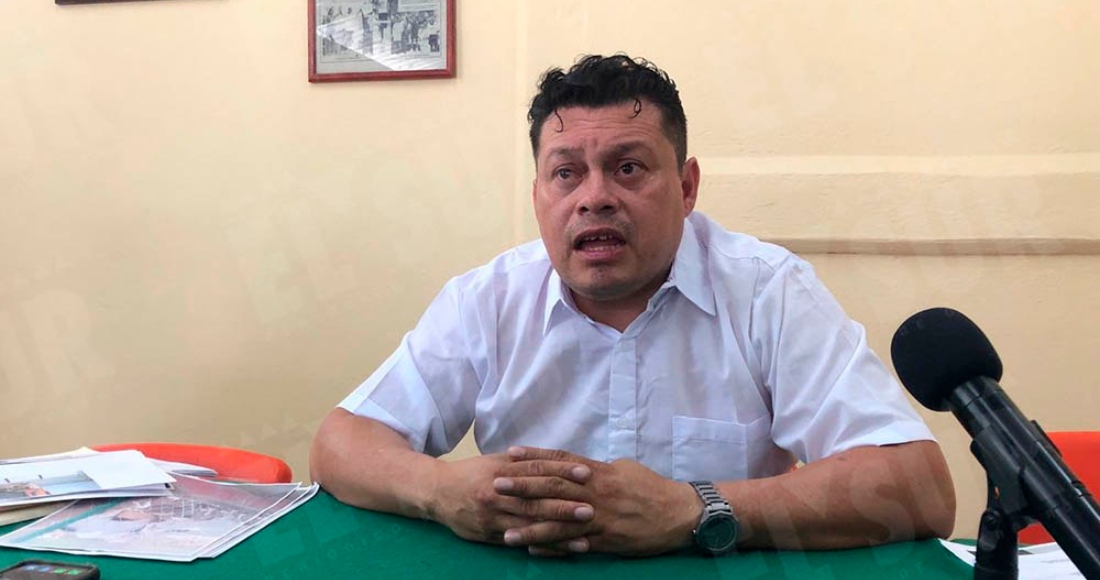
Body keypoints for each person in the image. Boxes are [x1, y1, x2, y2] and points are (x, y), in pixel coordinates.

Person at [310, 53, 956, 558]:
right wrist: (440, 489)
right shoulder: (488, 298)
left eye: (627, 168)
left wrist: (697, 509)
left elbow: (919, 488)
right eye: (566, 173)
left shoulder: (768, 290)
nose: (594, 198)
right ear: (538, 195)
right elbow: (342, 443)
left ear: (686, 186)